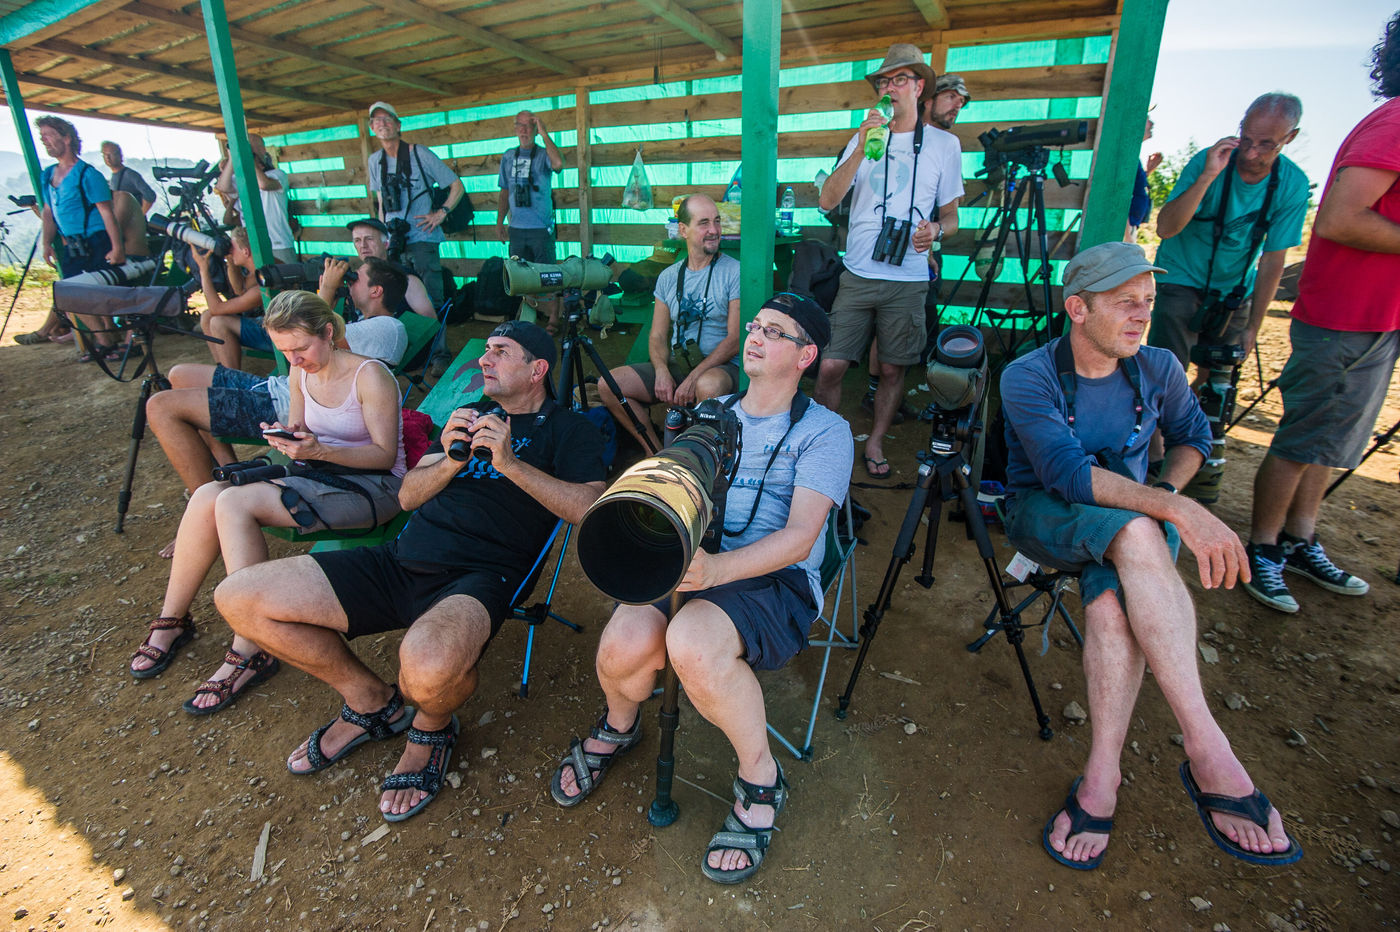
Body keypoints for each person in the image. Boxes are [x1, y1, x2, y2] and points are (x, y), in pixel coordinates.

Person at [215, 321, 606, 822]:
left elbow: (588, 507)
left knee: (426, 671)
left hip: (482, 578)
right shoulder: (470, 415)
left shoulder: (571, 429)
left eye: (500, 351)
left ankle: (432, 727)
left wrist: (509, 464)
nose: (484, 359)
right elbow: (407, 495)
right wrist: (448, 463)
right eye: (483, 349)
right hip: (400, 559)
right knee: (238, 597)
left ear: (538, 370)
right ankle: (370, 701)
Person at [1000, 241, 1301, 870]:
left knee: (1111, 608)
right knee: (1137, 535)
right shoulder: (1027, 374)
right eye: (1124, 304)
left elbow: (1194, 438)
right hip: (1048, 515)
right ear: (1077, 308)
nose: (1141, 315)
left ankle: (1100, 781)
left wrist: (1166, 492)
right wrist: (1175, 509)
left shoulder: (1159, 366)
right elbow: (1066, 474)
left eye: (1149, 302)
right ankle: (1208, 747)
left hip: (1138, 514)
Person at [551, 293, 853, 884]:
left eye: (774, 331)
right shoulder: (712, 411)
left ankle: (761, 774)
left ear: (806, 355)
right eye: (756, 326)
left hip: (773, 577)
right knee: (624, 645)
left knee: (689, 642)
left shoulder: (826, 431)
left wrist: (716, 571)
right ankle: (619, 725)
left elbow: (798, 540)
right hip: (692, 553)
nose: (756, 337)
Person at [129, 291, 407, 718]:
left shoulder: (370, 376)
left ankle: (250, 643)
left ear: (328, 332)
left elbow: (385, 457)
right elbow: (300, 429)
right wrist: (284, 436)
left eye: (300, 348)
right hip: (320, 474)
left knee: (235, 504)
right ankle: (173, 618)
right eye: (284, 351)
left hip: (373, 487)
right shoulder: (300, 374)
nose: (293, 360)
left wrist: (318, 452)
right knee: (207, 495)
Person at [1242, 13, 1400, 615]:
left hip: (1377, 315)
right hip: (1345, 315)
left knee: (1333, 440)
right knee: (1304, 435)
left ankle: (1299, 536)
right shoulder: (1395, 121)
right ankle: (1263, 547)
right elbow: (1338, 219)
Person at [814, 43, 963, 479]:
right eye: (884, 81)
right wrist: (861, 147)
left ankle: (876, 439)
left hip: (910, 276)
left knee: (895, 367)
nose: (889, 88)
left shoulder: (944, 145)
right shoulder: (861, 138)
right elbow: (826, 200)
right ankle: (824, 438)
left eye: (899, 80)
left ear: (919, 87)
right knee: (831, 363)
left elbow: (952, 217)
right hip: (859, 271)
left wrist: (935, 230)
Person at [149, 256, 408, 501]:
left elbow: (318, 339)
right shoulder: (355, 322)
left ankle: (206, 499)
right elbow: (307, 341)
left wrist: (327, 289)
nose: (349, 280)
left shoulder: (388, 327)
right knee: (180, 374)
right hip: (280, 389)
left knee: (161, 406)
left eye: (356, 278)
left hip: (282, 402)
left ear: (377, 291)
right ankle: (225, 472)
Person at [1150, 94, 1310, 369]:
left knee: (1218, 377)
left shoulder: (1293, 184)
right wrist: (1207, 176)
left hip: (1235, 288)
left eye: (1266, 145)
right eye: (1246, 139)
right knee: (1166, 370)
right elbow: (1165, 229)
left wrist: (1253, 327)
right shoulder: (1209, 160)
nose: (1250, 153)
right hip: (1181, 274)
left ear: (1290, 137)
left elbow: (1273, 259)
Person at [597, 194, 741, 452]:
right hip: (679, 364)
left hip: (720, 367)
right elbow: (656, 336)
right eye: (704, 223)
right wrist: (662, 371)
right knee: (608, 385)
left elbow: (733, 341)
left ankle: (702, 460)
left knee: (707, 386)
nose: (714, 230)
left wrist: (693, 378)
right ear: (683, 230)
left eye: (717, 222)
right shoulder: (668, 277)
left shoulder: (733, 271)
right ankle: (656, 452)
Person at [870, 71, 970, 421]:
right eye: (953, 97)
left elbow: (949, 216)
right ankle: (875, 392)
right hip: (882, 255)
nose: (958, 106)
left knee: (909, 330)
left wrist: (934, 238)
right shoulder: (884, 137)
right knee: (887, 327)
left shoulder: (945, 146)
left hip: (918, 254)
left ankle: (888, 393)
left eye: (963, 102)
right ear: (927, 96)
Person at [366, 101, 466, 309]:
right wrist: (383, 234)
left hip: (422, 238)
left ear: (398, 125)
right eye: (377, 120)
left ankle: (438, 340)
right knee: (400, 298)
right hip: (395, 241)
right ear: (372, 127)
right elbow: (381, 200)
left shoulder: (420, 154)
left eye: (387, 119)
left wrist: (441, 213)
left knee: (430, 298)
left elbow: (457, 185)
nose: (382, 124)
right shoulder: (375, 161)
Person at [497, 110, 565, 332]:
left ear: (535, 129)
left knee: (548, 274)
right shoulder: (508, 156)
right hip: (517, 228)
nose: (524, 130)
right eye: (520, 125)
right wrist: (499, 222)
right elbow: (504, 191)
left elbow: (558, 164)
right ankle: (529, 318)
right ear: (515, 128)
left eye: (529, 126)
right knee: (521, 276)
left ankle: (554, 317)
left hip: (540, 228)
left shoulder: (543, 154)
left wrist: (545, 133)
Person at [321, 218, 435, 319]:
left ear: (386, 244)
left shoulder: (405, 278)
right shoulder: (356, 278)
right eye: (357, 240)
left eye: (369, 239)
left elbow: (430, 324)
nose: (363, 245)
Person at [191, 227, 271, 370]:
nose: (229, 250)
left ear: (245, 251)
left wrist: (203, 270)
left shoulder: (264, 281)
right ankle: (223, 369)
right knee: (207, 316)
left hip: (275, 333)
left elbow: (217, 309)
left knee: (218, 322)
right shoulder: (260, 268)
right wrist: (229, 259)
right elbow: (239, 289)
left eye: (232, 247)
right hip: (271, 324)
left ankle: (233, 378)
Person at [215, 134, 296, 263]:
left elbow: (264, 184)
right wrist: (232, 158)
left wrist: (249, 159)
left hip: (279, 245)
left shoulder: (277, 175)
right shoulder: (242, 181)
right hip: (254, 248)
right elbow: (223, 187)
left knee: (289, 281)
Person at [1127, 116, 1164, 241]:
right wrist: (1126, 232)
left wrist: (1147, 172)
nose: (1152, 123)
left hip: (1130, 228)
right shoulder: (1125, 155)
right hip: (1125, 229)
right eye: (1147, 118)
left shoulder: (1133, 157)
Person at [100, 141, 157, 214]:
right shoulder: (113, 178)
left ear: (119, 155)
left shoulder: (130, 175)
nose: (107, 158)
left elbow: (150, 196)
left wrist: (139, 216)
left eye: (111, 154)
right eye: (105, 154)